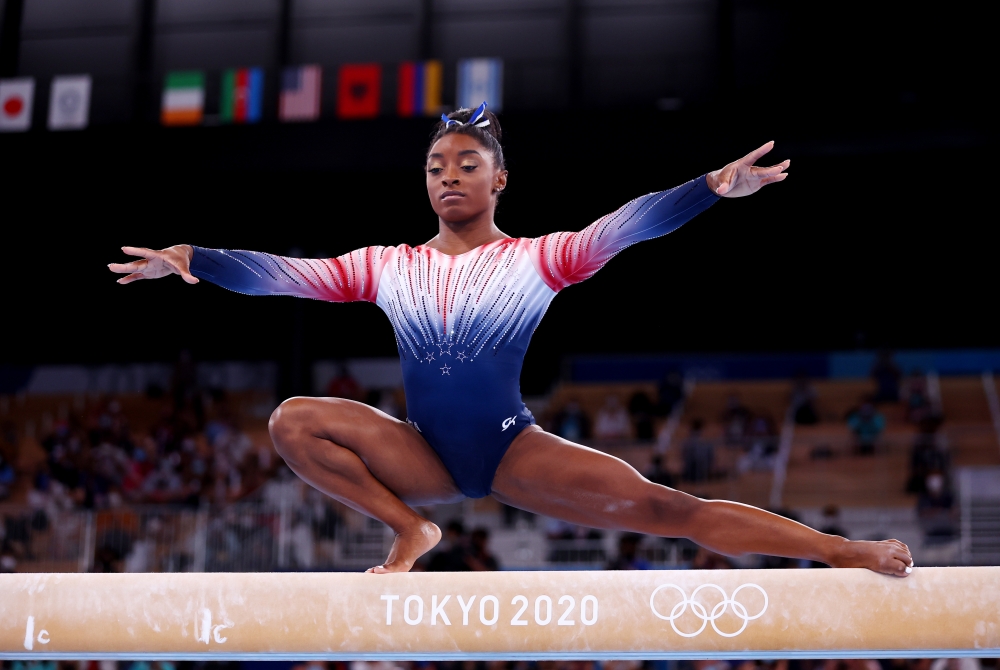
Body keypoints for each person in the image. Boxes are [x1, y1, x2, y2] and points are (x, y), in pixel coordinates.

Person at [109, 102, 912, 576]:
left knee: (675, 509)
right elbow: (284, 273)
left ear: (500, 180)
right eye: (434, 166)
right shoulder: (385, 267)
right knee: (292, 419)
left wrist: (706, 190)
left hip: (509, 449)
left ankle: (842, 552)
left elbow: (623, 227)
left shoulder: (539, 259)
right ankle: (412, 529)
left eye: (467, 163)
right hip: (419, 453)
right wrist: (196, 259)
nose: (448, 175)